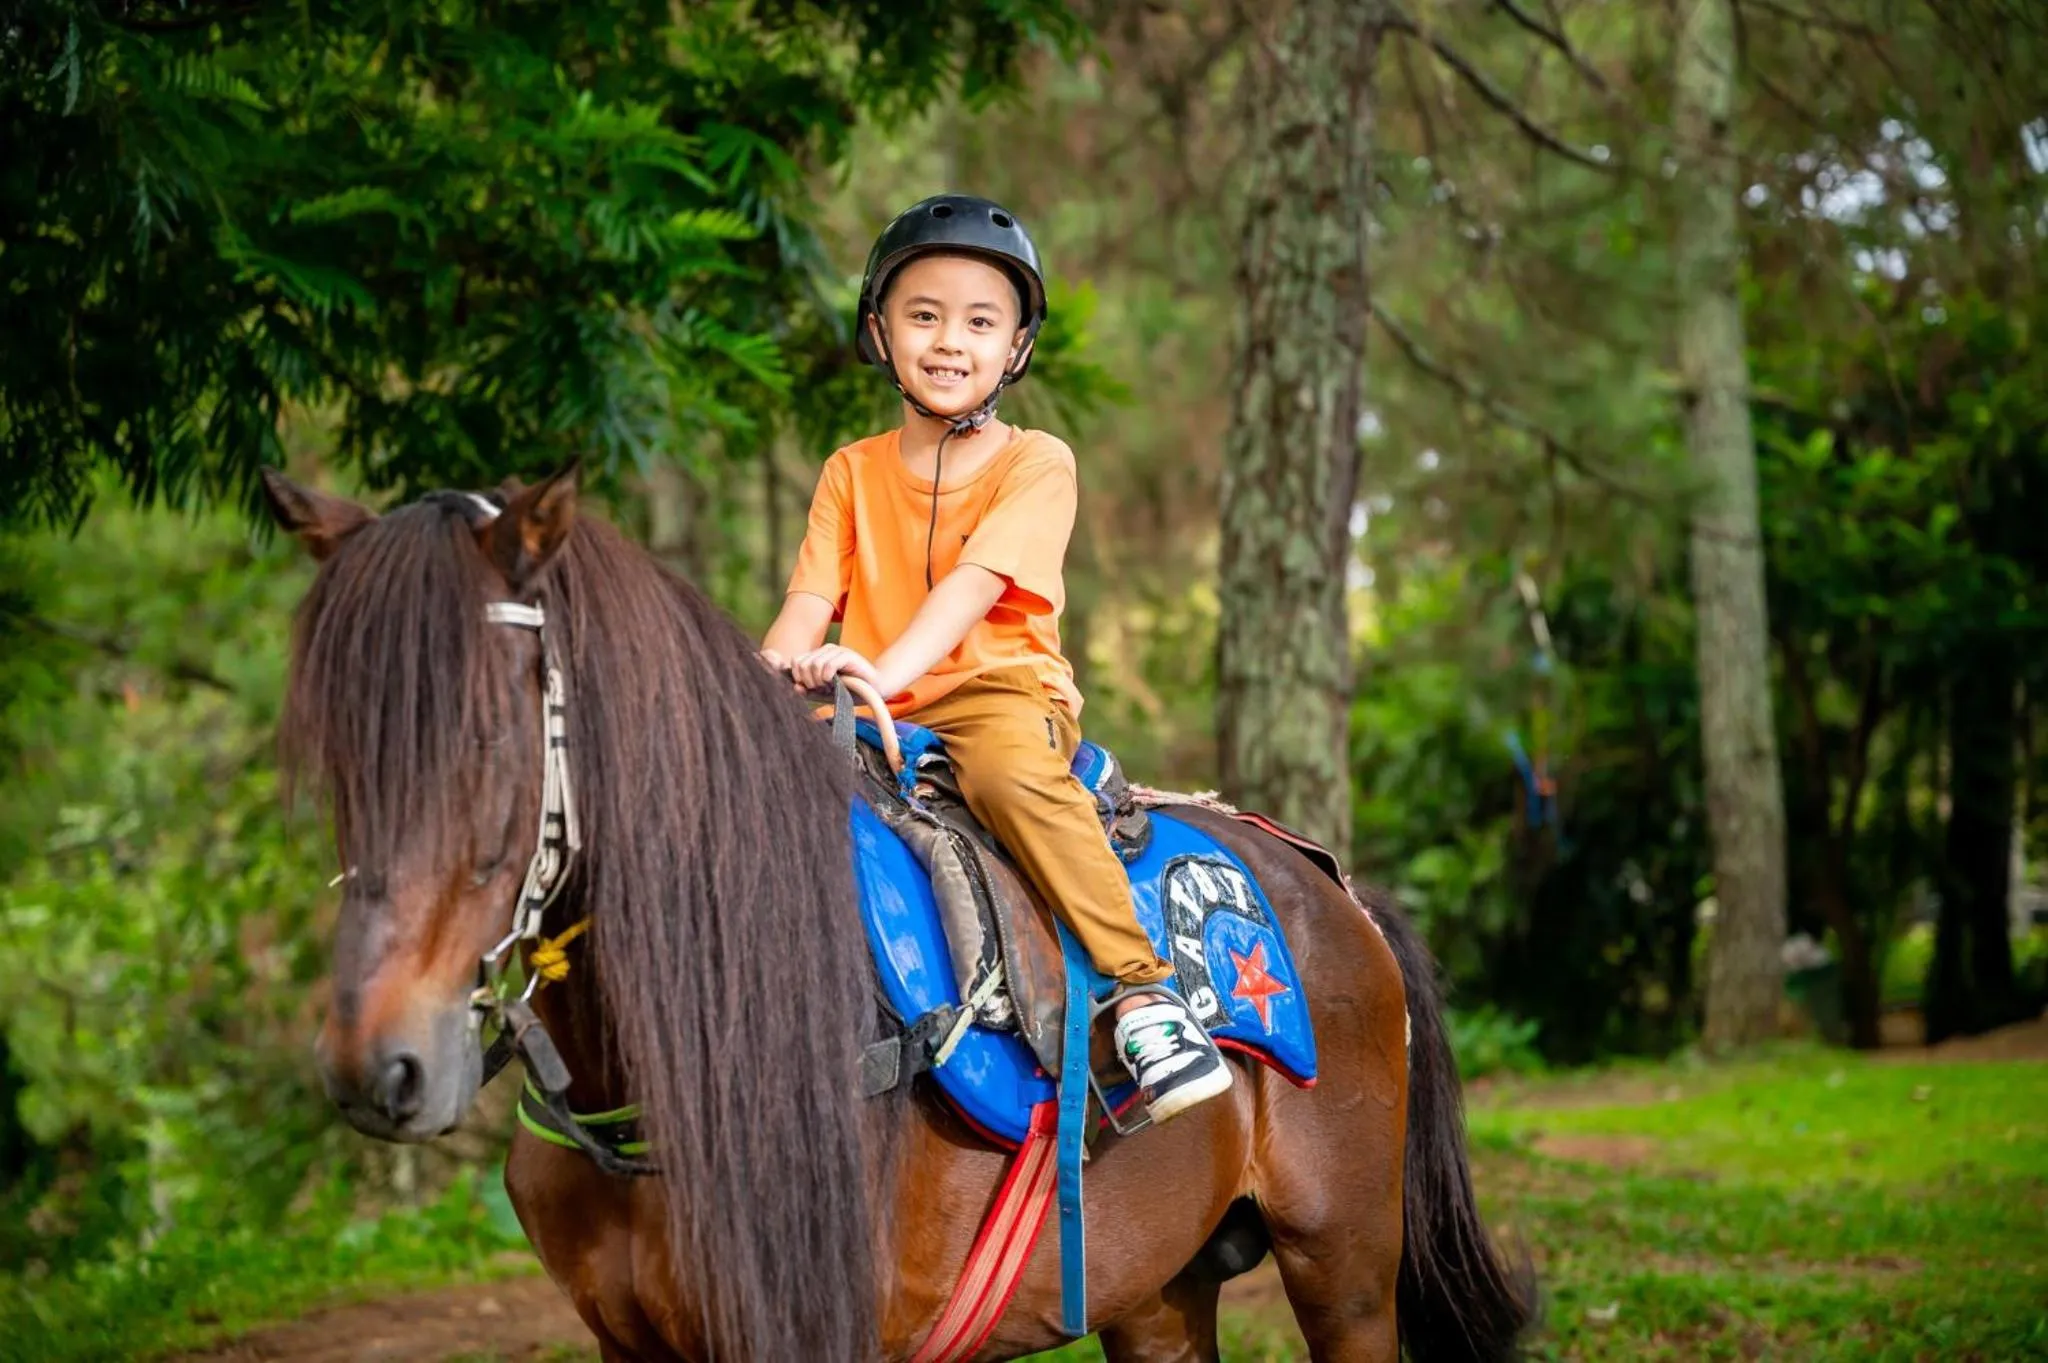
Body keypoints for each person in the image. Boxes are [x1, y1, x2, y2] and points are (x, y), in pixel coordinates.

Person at [759, 194, 1233, 1123]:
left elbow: (971, 588)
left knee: (1012, 777)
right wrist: (763, 679)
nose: (949, 340)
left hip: (996, 695)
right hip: (873, 704)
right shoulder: (850, 472)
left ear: (1014, 348)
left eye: (980, 321)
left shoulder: (1038, 462)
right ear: (879, 332)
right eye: (923, 314)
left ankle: (1144, 993)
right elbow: (806, 605)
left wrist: (877, 673)